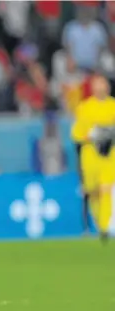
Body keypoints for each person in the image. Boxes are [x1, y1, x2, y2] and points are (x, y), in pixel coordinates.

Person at [72, 75, 115, 243]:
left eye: (103, 84)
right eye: (98, 85)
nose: (101, 88)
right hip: (90, 155)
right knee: (93, 192)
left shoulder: (113, 106)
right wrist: (91, 135)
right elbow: (77, 134)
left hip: (109, 155)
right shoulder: (84, 108)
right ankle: (98, 223)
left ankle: (104, 227)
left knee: (106, 189)